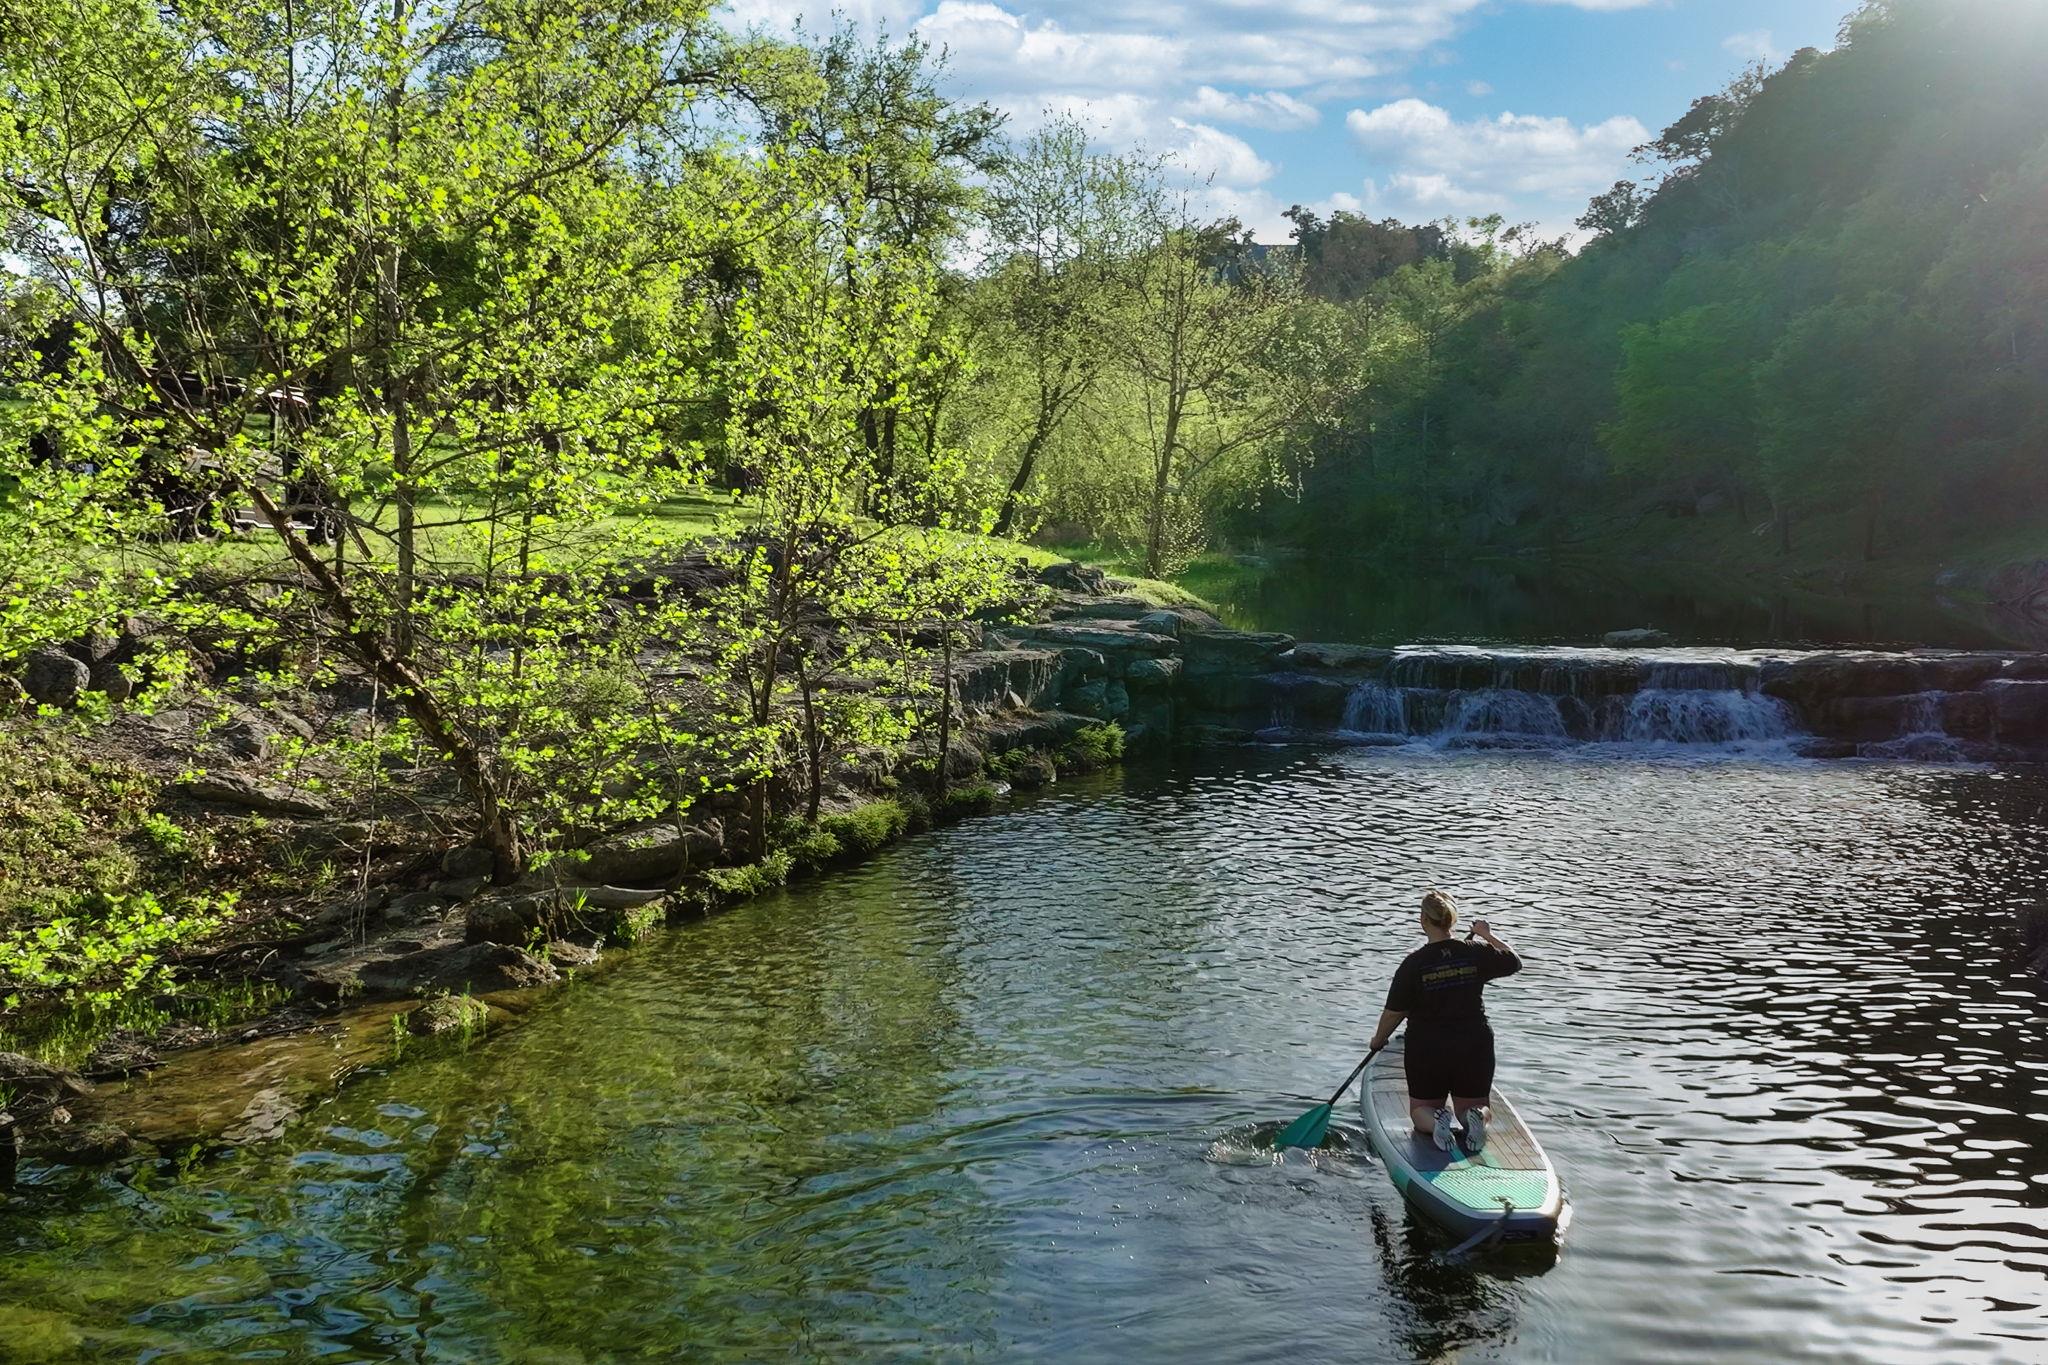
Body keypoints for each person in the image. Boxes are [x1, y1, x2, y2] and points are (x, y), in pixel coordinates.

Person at [1367, 890, 1521, 1154]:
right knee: (1472, 1105)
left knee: (1421, 1110)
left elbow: (1394, 1012)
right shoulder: (1476, 952)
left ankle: (1438, 1119)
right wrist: (1486, 935)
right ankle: (1475, 1117)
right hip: (1474, 1042)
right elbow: (1514, 961)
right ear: (1452, 920)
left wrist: (1378, 1040)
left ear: (1423, 920)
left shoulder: (1413, 964)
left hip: (1428, 1046)